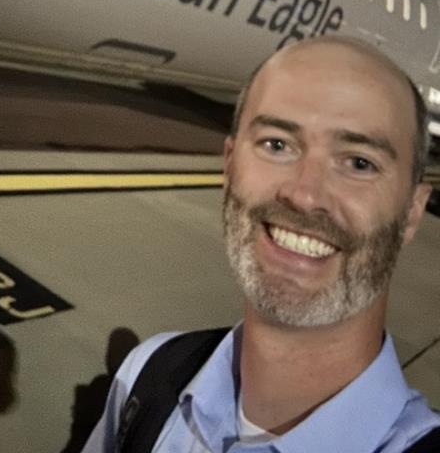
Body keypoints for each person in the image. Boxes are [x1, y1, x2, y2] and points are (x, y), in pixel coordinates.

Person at [82, 36, 440, 452]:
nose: (305, 195)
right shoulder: (147, 372)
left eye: (359, 163)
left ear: (412, 212)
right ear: (229, 165)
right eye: (277, 144)